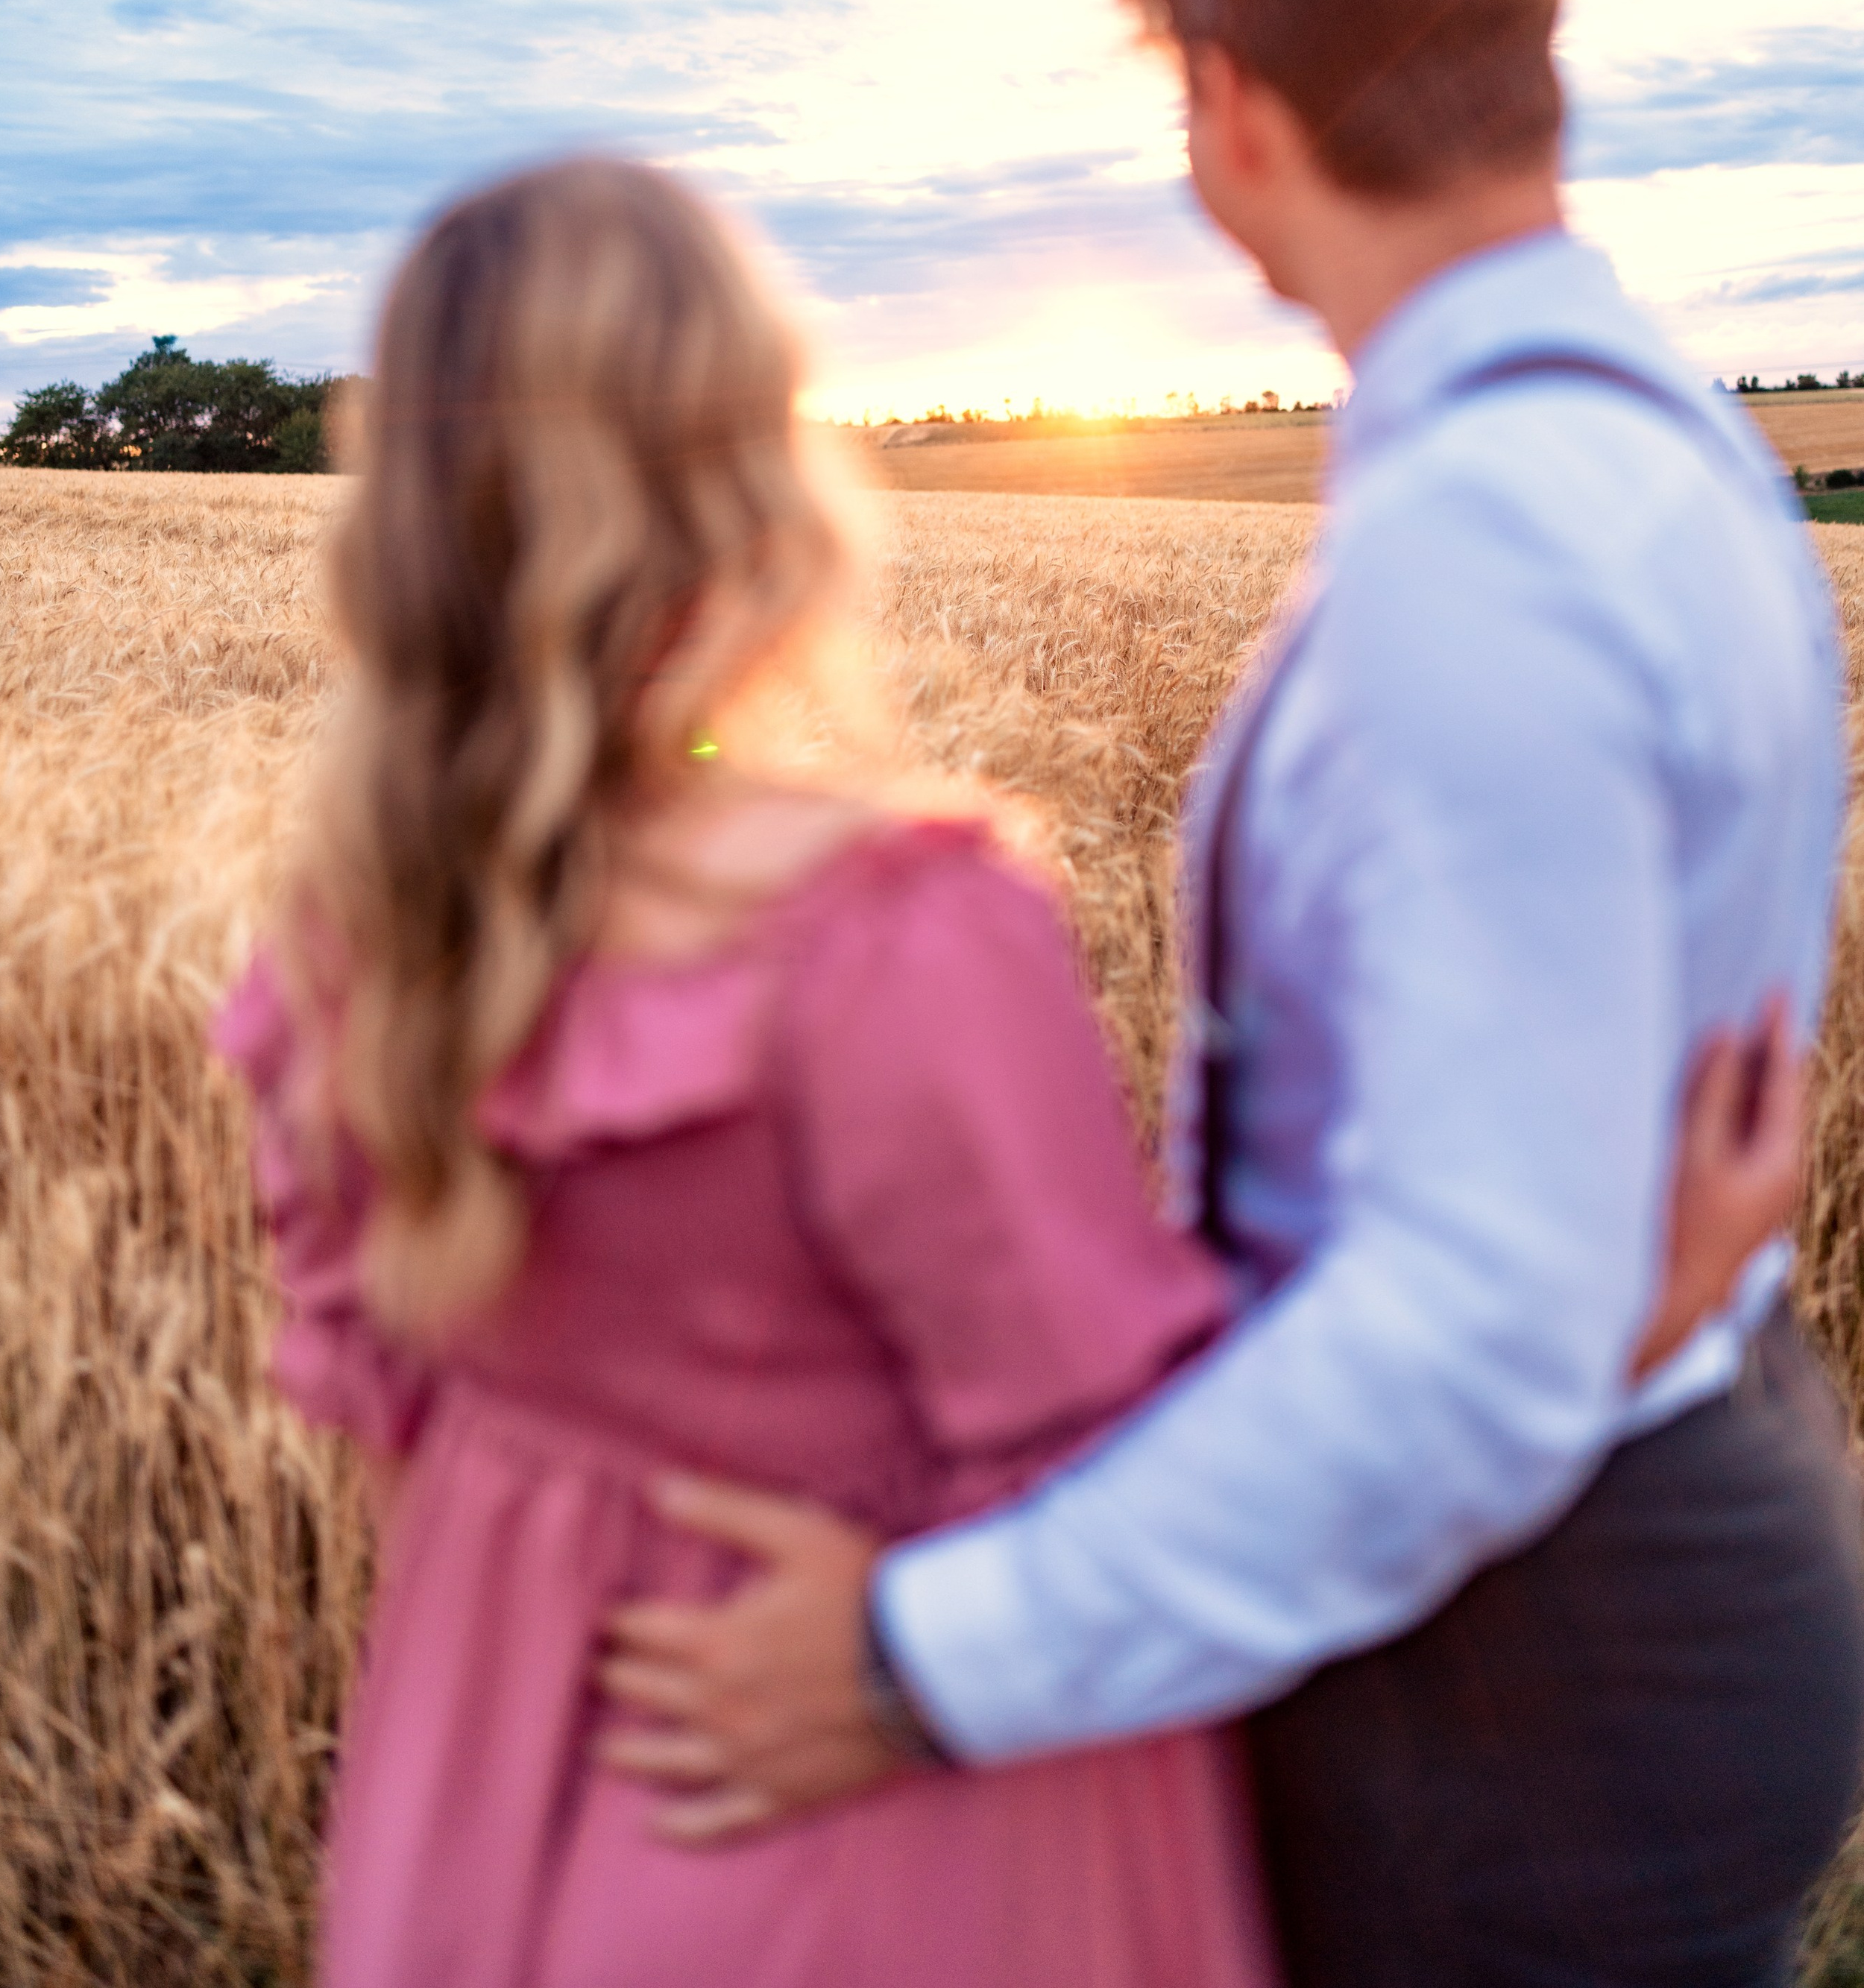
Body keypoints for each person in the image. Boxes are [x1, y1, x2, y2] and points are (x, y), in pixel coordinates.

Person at [599, 0, 1864, 1987]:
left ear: (1227, 106)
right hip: (1644, 1512)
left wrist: (920, 1655)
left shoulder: (1483, 557)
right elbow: (1559, 1222)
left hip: (1518, 1675)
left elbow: (1466, 1331)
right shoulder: (1678, 457)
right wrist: (1594, 1316)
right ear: (1529, 67)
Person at [212, 155, 1289, 1988]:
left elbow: (408, 1439)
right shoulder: (898, 936)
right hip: (876, 1822)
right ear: (755, 472)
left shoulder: (343, 954)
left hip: (487, 1812)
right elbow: (1123, 1476)